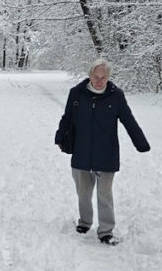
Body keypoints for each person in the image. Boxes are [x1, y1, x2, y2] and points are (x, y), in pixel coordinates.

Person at [54, 59, 149, 245]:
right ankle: (85, 222)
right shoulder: (76, 94)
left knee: (105, 195)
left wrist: (141, 143)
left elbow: (129, 121)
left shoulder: (116, 96)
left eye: (103, 78)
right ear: (90, 75)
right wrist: (59, 137)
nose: (99, 81)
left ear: (108, 77)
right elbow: (67, 118)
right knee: (83, 192)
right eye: (96, 77)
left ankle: (106, 231)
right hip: (81, 151)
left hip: (107, 153)